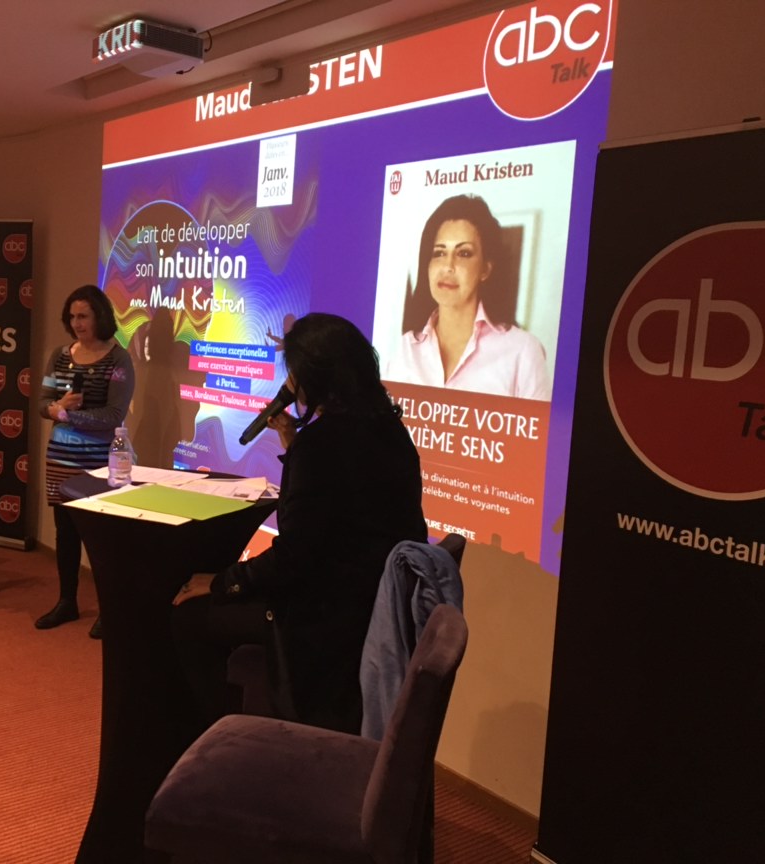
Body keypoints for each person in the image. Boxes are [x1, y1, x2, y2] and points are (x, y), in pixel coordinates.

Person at [171, 313, 427, 734]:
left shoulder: (320, 445)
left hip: (325, 619)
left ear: (312, 376)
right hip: (372, 604)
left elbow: (294, 558)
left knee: (189, 617)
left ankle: (221, 739)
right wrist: (295, 444)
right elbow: (343, 509)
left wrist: (223, 582)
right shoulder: (390, 431)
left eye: (294, 373)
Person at [35, 284, 134, 633]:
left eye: (84, 316)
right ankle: (67, 602)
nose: (77, 323)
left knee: (101, 538)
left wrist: (67, 415)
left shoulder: (119, 359)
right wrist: (56, 408)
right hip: (60, 458)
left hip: (99, 462)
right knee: (66, 533)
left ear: (100, 317)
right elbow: (42, 402)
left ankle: (110, 608)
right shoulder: (60, 355)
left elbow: (114, 415)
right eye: (72, 316)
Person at [385, 194, 552, 399]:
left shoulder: (523, 351)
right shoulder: (405, 350)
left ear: (485, 269)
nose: (448, 266)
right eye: (439, 253)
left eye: (464, 253)